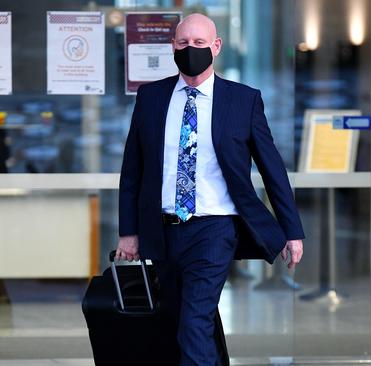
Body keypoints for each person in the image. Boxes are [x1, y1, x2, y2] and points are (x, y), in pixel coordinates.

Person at [116, 13, 305, 366]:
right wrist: (129, 231)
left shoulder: (242, 100)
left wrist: (291, 231)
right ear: (173, 45)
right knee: (183, 321)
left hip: (215, 228)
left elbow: (272, 169)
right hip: (162, 228)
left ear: (216, 47)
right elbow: (133, 171)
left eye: (200, 43)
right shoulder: (151, 97)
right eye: (184, 43)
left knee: (193, 321)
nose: (191, 50)